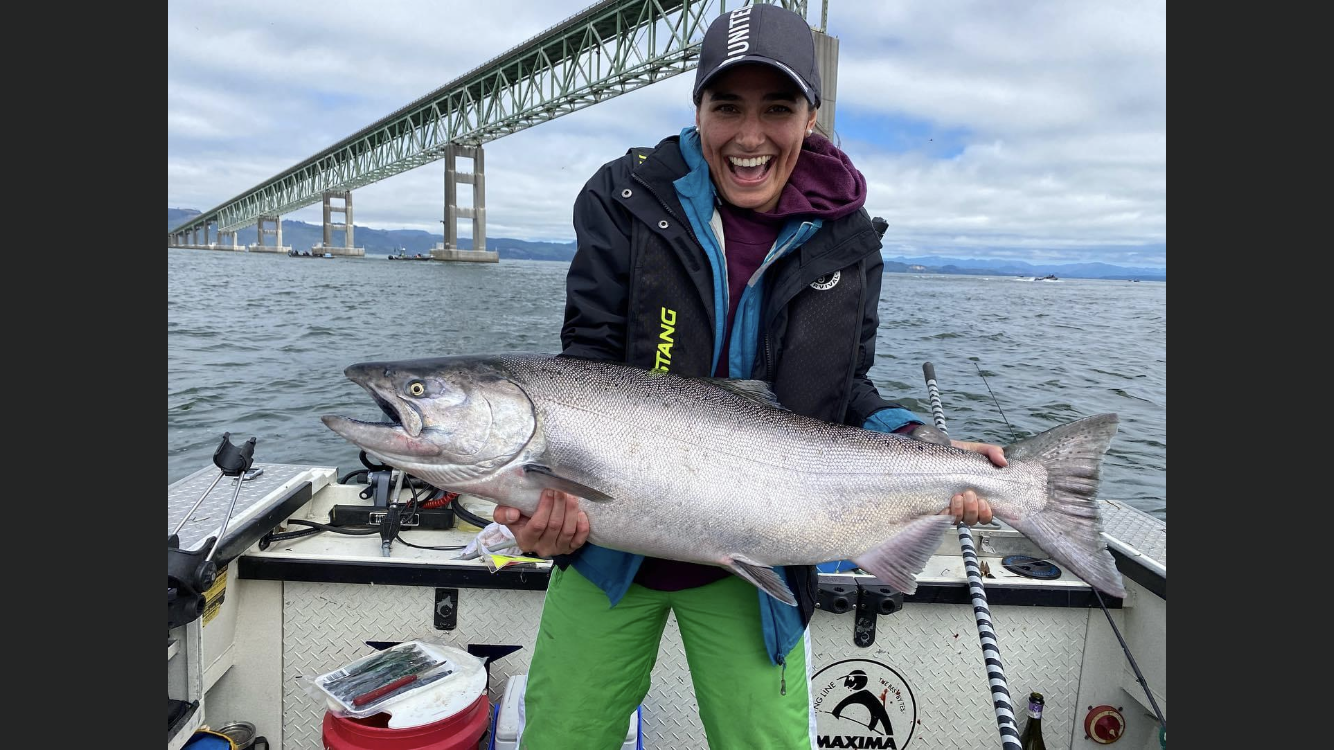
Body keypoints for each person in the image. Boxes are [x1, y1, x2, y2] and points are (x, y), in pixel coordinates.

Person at [493, 5, 1006, 748]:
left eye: (778, 108)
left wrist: (926, 445)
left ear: (812, 115)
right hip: (608, 553)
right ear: (697, 108)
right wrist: (546, 505)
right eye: (726, 106)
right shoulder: (626, 197)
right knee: (562, 735)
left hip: (758, 566)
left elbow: (846, 389)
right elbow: (587, 365)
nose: (750, 135)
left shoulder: (849, 240)